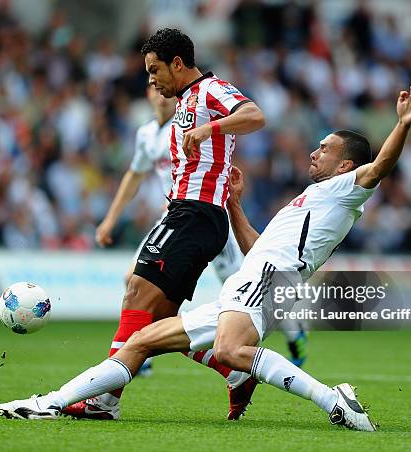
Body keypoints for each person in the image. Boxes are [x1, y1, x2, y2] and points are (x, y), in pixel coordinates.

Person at [0, 80, 411, 431]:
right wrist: (235, 205)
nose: (315, 151)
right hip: (256, 277)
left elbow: (381, 166)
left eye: (325, 148)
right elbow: (255, 247)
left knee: (231, 349)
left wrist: (401, 125)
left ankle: (333, 400)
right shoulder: (316, 196)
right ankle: (51, 402)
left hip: (269, 281)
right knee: (143, 339)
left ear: (346, 165)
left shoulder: (347, 190)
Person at [62, 28, 266, 421]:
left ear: (177, 63)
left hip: (195, 212)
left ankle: (104, 400)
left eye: (155, 70)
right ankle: (232, 372)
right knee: (159, 324)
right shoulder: (185, 101)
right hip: (194, 216)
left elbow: (255, 115)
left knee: (135, 291)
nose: (151, 80)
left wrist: (211, 129)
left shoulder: (211, 89)